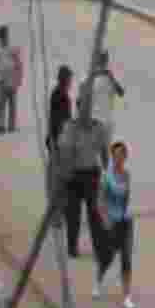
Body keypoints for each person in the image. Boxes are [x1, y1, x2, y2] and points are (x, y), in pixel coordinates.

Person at [55, 93, 111, 260]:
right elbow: (63, 150)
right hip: (73, 175)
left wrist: (107, 171)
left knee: (94, 214)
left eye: (88, 109)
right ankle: (72, 246)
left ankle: (99, 246)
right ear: (78, 109)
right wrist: (63, 171)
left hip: (92, 174)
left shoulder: (98, 127)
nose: (85, 112)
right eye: (83, 108)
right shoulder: (70, 127)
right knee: (73, 214)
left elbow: (103, 150)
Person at [93, 139, 136, 308]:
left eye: (122, 155)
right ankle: (98, 280)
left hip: (125, 221)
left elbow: (126, 197)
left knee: (126, 258)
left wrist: (125, 214)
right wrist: (105, 219)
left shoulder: (127, 175)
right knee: (108, 257)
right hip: (110, 221)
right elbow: (99, 200)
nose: (119, 158)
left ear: (125, 157)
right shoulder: (106, 176)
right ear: (112, 157)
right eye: (116, 155)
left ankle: (126, 297)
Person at [77, 49, 124, 136]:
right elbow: (79, 101)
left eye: (104, 59)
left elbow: (121, 93)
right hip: (92, 122)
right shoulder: (88, 77)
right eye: (102, 59)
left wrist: (110, 77)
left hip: (104, 123)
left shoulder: (109, 78)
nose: (103, 63)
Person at [0, 24, 22, 134]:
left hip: (12, 78)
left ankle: (11, 125)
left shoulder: (13, 49)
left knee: (12, 103)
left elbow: (18, 65)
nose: (2, 38)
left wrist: (18, 79)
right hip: (1, 79)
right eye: (0, 36)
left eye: (3, 35)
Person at [47, 65, 74, 153]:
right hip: (58, 138)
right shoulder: (60, 95)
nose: (71, 82)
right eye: (70, 79)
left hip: (57, 137)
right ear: (65, 79)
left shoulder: (59, 93)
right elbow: (60, 119)